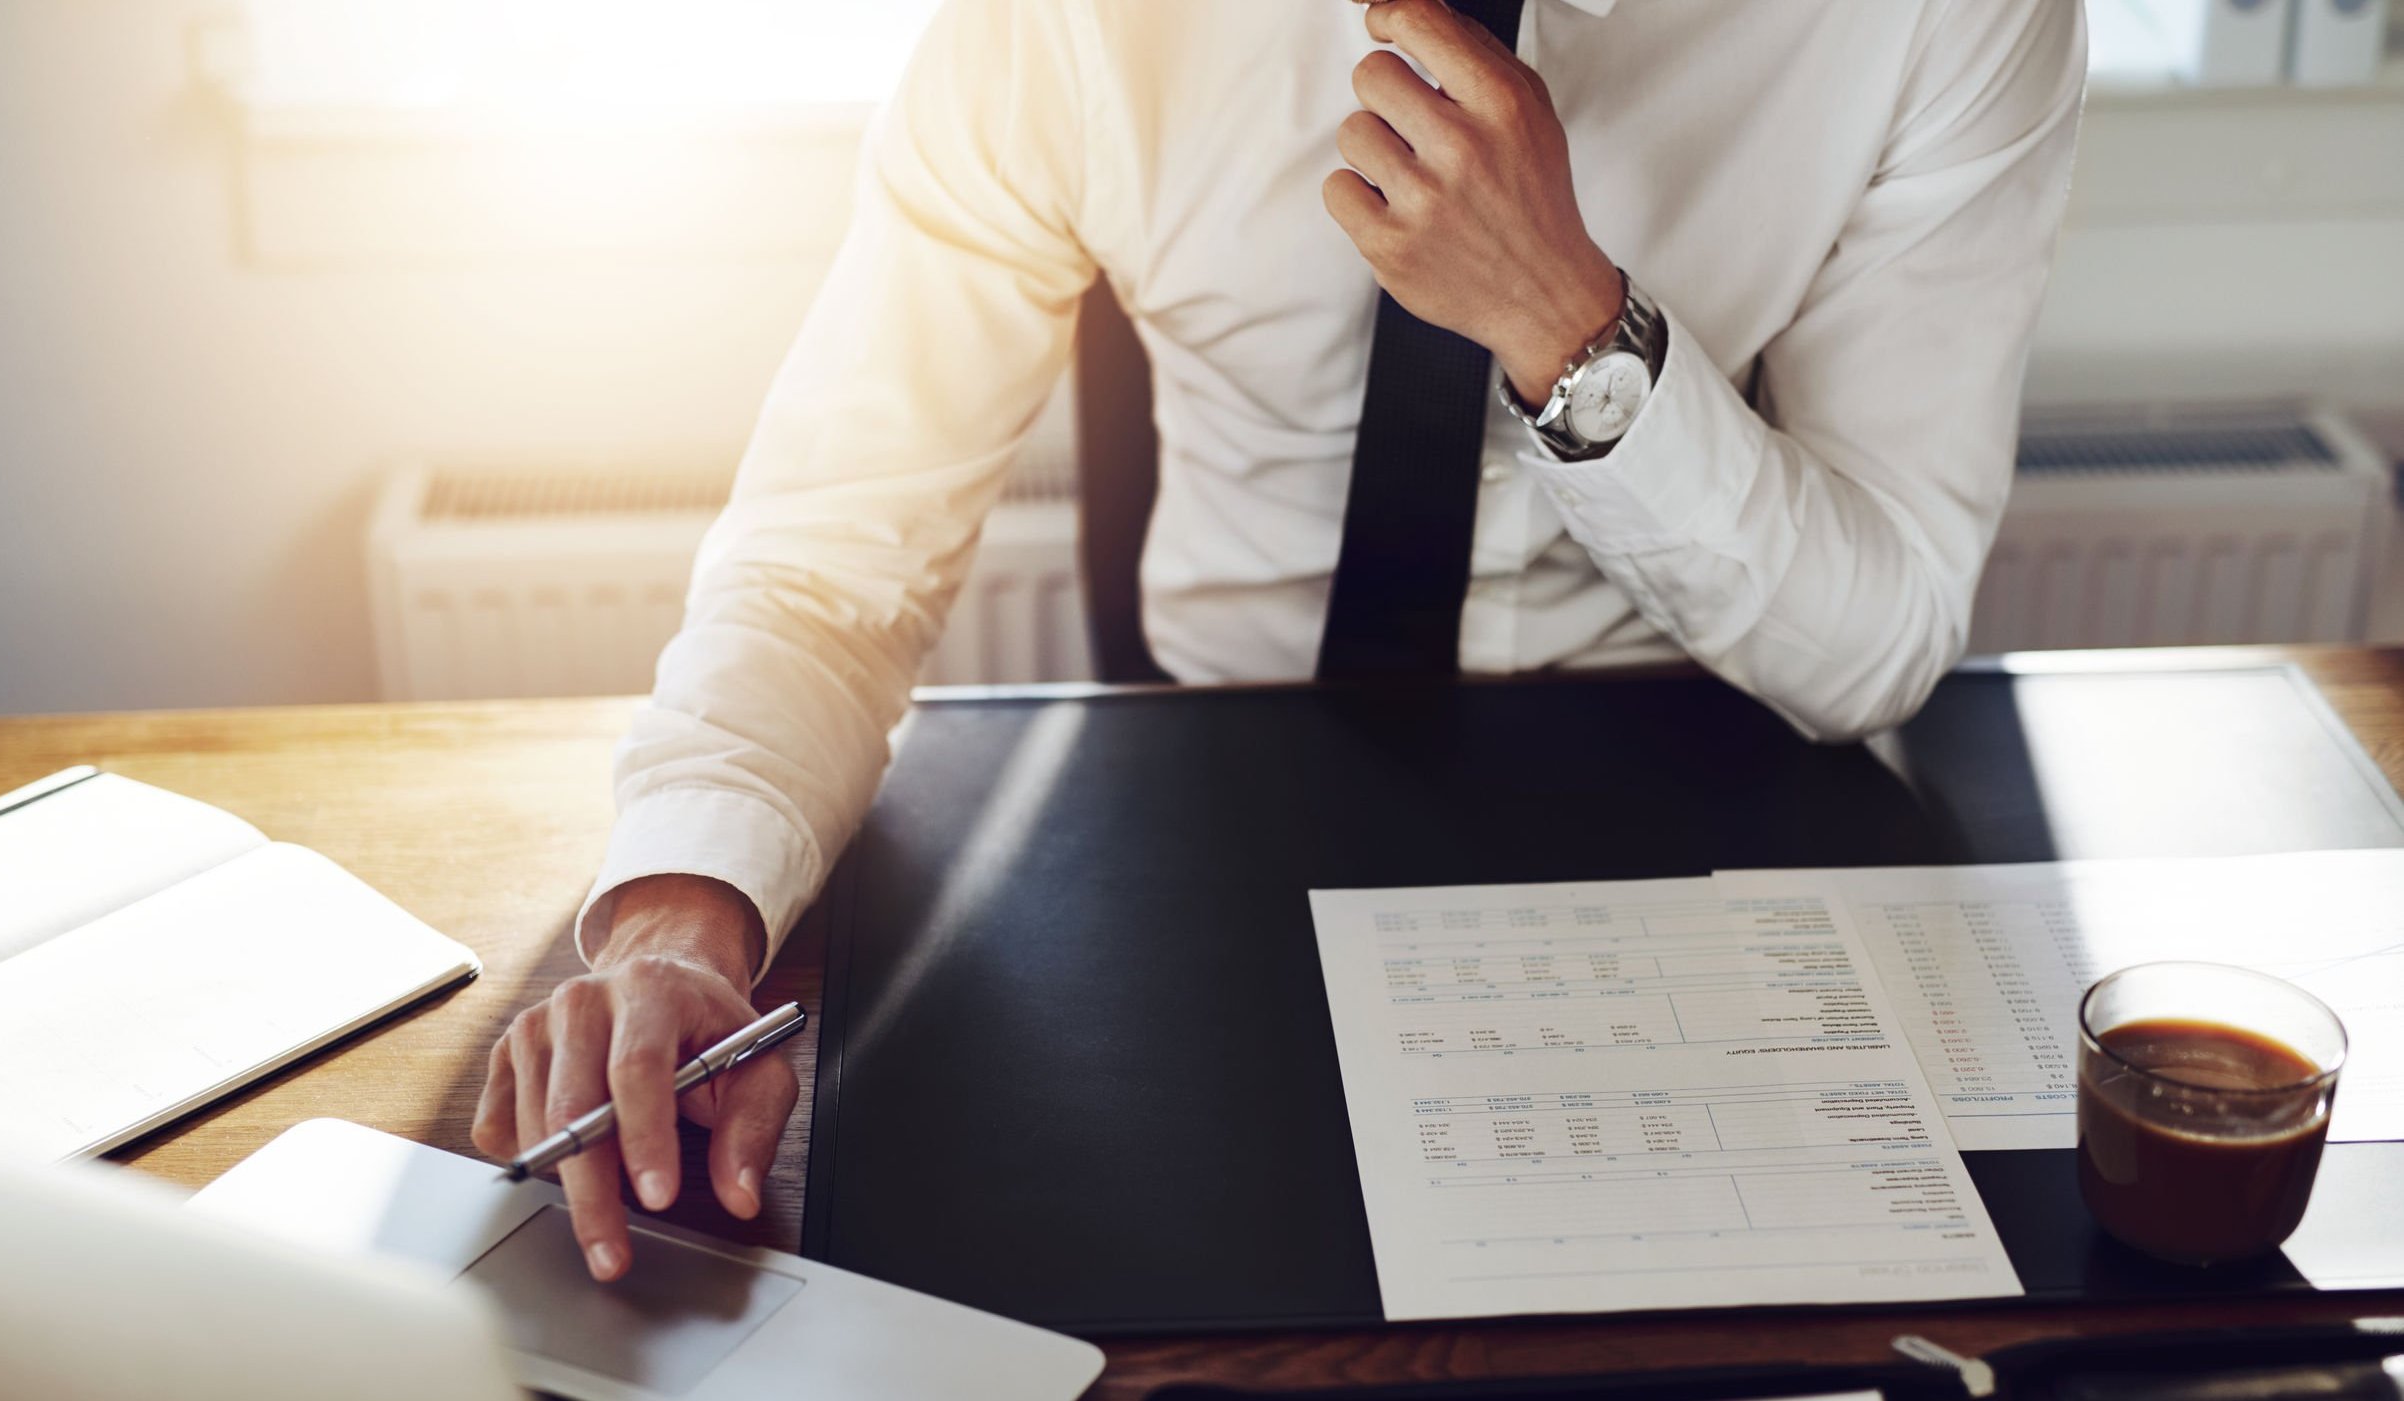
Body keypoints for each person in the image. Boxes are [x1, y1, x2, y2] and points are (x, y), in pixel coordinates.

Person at [472, 0, 2088, 1280]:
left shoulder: (1946, 14)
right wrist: (682, 919)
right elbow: (833, 554)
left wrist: (1570, 326)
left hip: (1704, 819)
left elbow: (1877, 635)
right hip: (1197, 830)